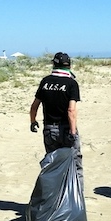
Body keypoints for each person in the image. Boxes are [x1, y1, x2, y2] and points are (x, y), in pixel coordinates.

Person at [29, 52, 84, 191]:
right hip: (66, 129)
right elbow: (71, 111)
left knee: (52, 166)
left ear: (54, 64)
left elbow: (34, 106)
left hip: (49, 129)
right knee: (74, 165)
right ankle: (76, 201)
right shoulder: (71, 83)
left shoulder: (46, 81)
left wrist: (33, 121)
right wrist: (72, 132)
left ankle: (52, 199)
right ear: (69, 65)